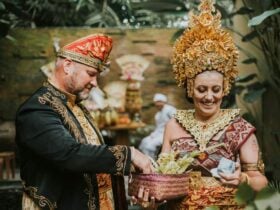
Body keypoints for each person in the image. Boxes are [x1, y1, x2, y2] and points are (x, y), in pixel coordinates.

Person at [15, 34, 154, 210]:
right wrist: (130, 154)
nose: (95, 83)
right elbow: (69, 154)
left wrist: (134, 171)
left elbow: (94, 156)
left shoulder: (75, 105)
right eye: (91, 74)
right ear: (67, 65)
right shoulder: (37, 109)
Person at [160, 0, 268, 209]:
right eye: (202, 89)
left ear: (224, 88)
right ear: (190, 88)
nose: (209, 97)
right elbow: (163, 176)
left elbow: (261, 182)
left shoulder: (240, 128)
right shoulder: (173, 126)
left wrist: (242, 180)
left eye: (215, 90)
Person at [138, 93, 176, 159]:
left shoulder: (169, 110)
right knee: (144, 142)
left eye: (160, 101)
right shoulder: (157, 114)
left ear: (164, 101)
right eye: (156, 102)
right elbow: (159, 128)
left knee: (150, 146)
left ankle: (152, 162)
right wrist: (153, 135)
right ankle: (144, 160)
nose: (158, 104)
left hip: (168, 134)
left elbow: (176, 121)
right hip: (159, 133)